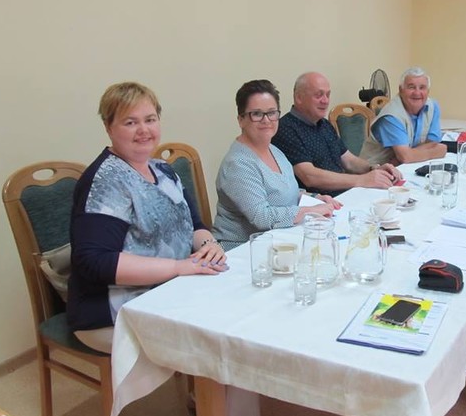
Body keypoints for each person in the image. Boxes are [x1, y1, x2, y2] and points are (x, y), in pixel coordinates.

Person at [68, 82, 228, 353]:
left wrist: (209, 246)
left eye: (150, 119)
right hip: (113, 308)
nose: (143, 130)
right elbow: (95, 261)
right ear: (108, 127)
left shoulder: (162, 170)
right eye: (130, 122)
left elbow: (195, 226)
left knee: (235, 310)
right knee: (213, 339)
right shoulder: (107, 181)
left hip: (169, 288)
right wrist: (178, 267)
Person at [212, 79, 341, 251]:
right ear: (241, 120)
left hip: (278, 241)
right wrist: (310, 210)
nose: (266, 120)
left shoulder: (274, 150)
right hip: (241, 250)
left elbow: (282, 192)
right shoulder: (238, 164)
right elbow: (262, 217)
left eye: (272, 113)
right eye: (257, 114)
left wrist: (314, 197)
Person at [272, 72, 402, 196]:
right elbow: (309, 176)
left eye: (328, 95)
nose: (325, 101)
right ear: (299, 97)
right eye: (318, 95)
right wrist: (362, 180)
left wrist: (374, 168)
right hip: (320, 203)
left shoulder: (324, 124)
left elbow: (349, 161)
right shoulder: (285, 128)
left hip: (345, 194)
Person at [360, 67, 447, 165]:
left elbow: (433, 143)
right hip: (374, 169)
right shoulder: (391, 116)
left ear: (428, 91)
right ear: (401, 90)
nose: (417, 93)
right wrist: (435, 152)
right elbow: (406, 157)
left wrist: (409, 155)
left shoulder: (433, 107)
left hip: (404, 166)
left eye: (422, 87)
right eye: (411, 87)